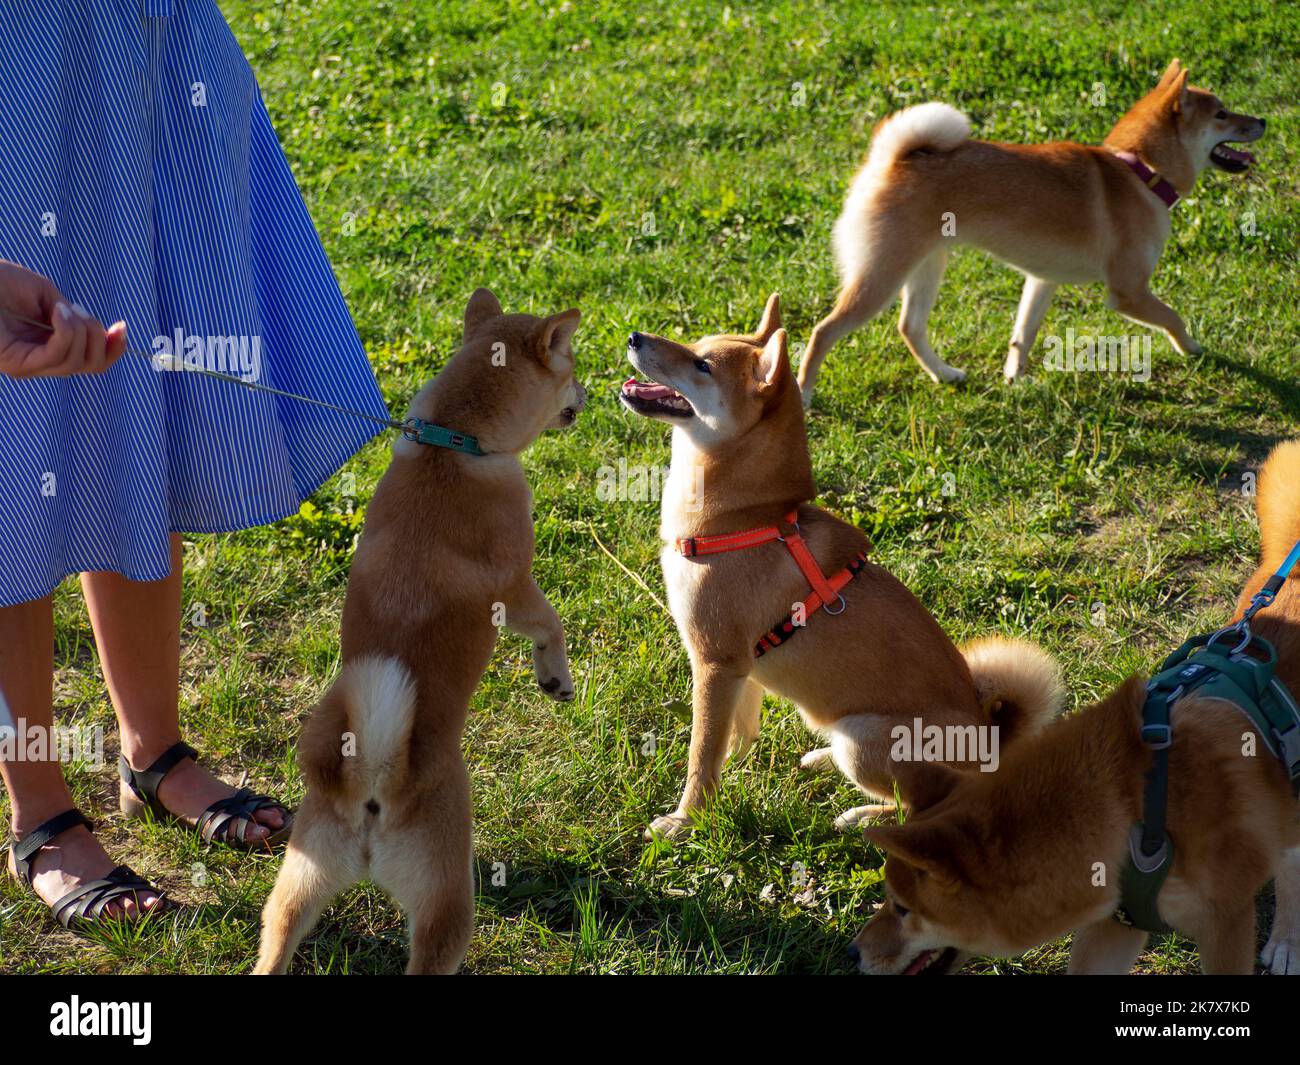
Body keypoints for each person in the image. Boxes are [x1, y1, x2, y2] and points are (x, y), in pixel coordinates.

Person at [0, 1, 388, 928]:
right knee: (21, 437)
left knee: (147, 388)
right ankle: (42, 808)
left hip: (147, 34)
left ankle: (153, 751)